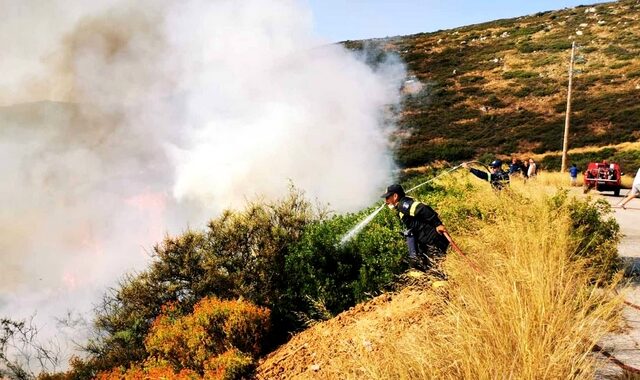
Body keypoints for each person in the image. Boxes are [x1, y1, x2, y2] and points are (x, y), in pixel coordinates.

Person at [382, 184, 449, 272]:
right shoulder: (401, 206)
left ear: (395, 196)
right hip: (427, 241)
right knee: (423, 266)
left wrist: (438, 224)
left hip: (433, 240)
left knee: (435, 270)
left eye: (387, 198)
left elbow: (423, 208)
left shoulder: (403, 205)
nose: (386, 201)